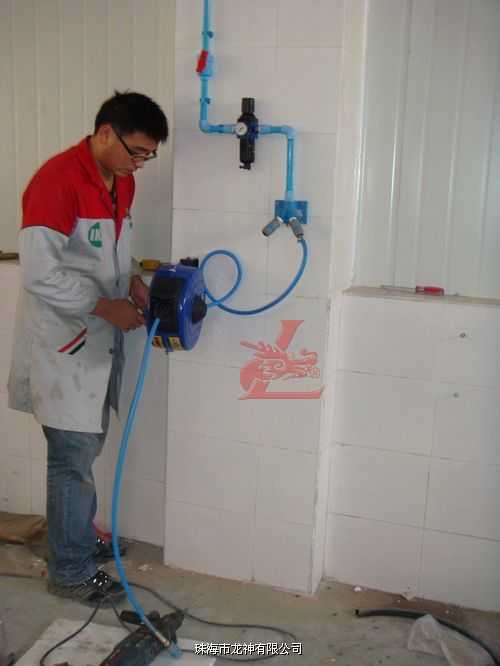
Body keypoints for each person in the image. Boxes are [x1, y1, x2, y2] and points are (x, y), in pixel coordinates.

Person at [7, 91, 168, 605]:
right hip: (64, 343)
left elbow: (112, 251)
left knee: (85, 448)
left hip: (96, 340)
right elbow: (39, 274)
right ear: (104, 133)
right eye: (136, 152)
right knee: (71, 458)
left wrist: (134, 282)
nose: (139, 164)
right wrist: (104, 307)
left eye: (147, 156)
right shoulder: (56, 181)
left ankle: (75, 538)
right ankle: (70, 571)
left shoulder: (122, 182)